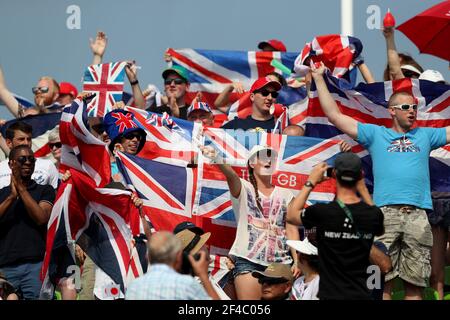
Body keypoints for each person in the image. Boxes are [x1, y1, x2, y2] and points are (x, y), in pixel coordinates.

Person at [311, 62, 450, 299]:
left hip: (418, 215)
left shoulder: (426, 134)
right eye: (406, 107)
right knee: (381, 285)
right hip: (384, 215)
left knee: (414, 287)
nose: (412, 111)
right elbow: (334, 115)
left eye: (415, 107)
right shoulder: (376, 133)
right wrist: (319, 78)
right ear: (392, 110)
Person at [202, 144, 300, 300]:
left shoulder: (286, 194)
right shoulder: (243, 187)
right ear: (251, 163)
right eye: (263, 157)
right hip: (249, 262)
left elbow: (291, 229)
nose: (268, 160)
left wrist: (297, 260)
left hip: (281, 263)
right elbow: (231, 175)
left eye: (271, 158)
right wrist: (216, 158)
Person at [287, 152, 384, 300]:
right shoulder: (372, 214)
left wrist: (311, 181)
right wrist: (363, 189)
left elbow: (292, 215)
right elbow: (380, 227)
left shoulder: (322, 212)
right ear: (360, 175)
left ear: (334, 174)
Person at [0, 145, 55, 299]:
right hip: (5, 267)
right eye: (22, 159)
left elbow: (41, 218)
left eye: (31, 159)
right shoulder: (2, 194)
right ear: (11, 163)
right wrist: (11, 197)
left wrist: (21, 190)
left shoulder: (45, 190)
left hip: (36, 265)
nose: (28, 162)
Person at [125, 231, 219, 300]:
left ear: (147, 257)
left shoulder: (134, 287)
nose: (207, 247)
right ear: (178, 256)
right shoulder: (187, 285)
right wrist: (204, 276)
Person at [173, 222, 234, 300]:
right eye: (202, 245)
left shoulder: (205, 276)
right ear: (198, 254)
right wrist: (203, 277)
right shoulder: (194, 285)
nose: (207, 246)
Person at [0, 122, 58, 190]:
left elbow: (56, 197)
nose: (26, 143)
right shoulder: (1, 168)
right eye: (21, 139)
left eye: (29, 139)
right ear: (9, 143)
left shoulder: (47, 165)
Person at [286, 235, 320, 300]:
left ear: (305, 258)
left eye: (297, 251)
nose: (296, 255)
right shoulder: (298, 282)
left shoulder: (320, 284)